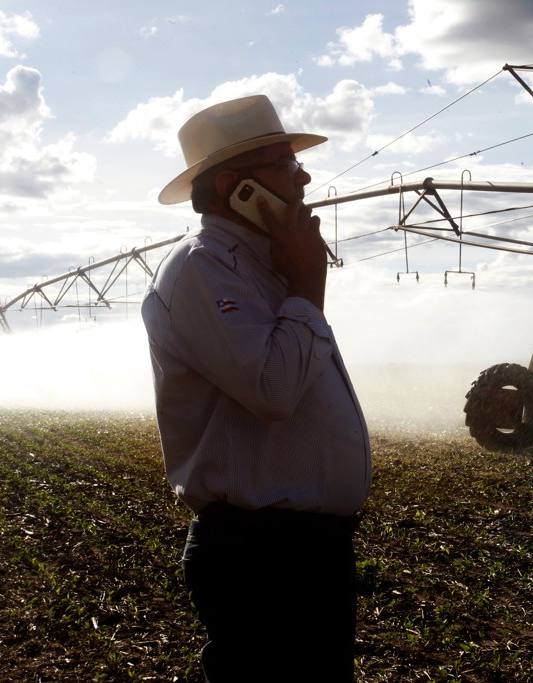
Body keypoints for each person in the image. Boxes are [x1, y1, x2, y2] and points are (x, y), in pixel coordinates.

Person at [141, 94, 372, 682]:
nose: (305, 176)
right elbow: (272, 388)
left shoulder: (264, 265)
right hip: (260, 556)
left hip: (305, 553)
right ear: (234, 190)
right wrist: (308, 285)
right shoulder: (202, 267)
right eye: (284, 165)